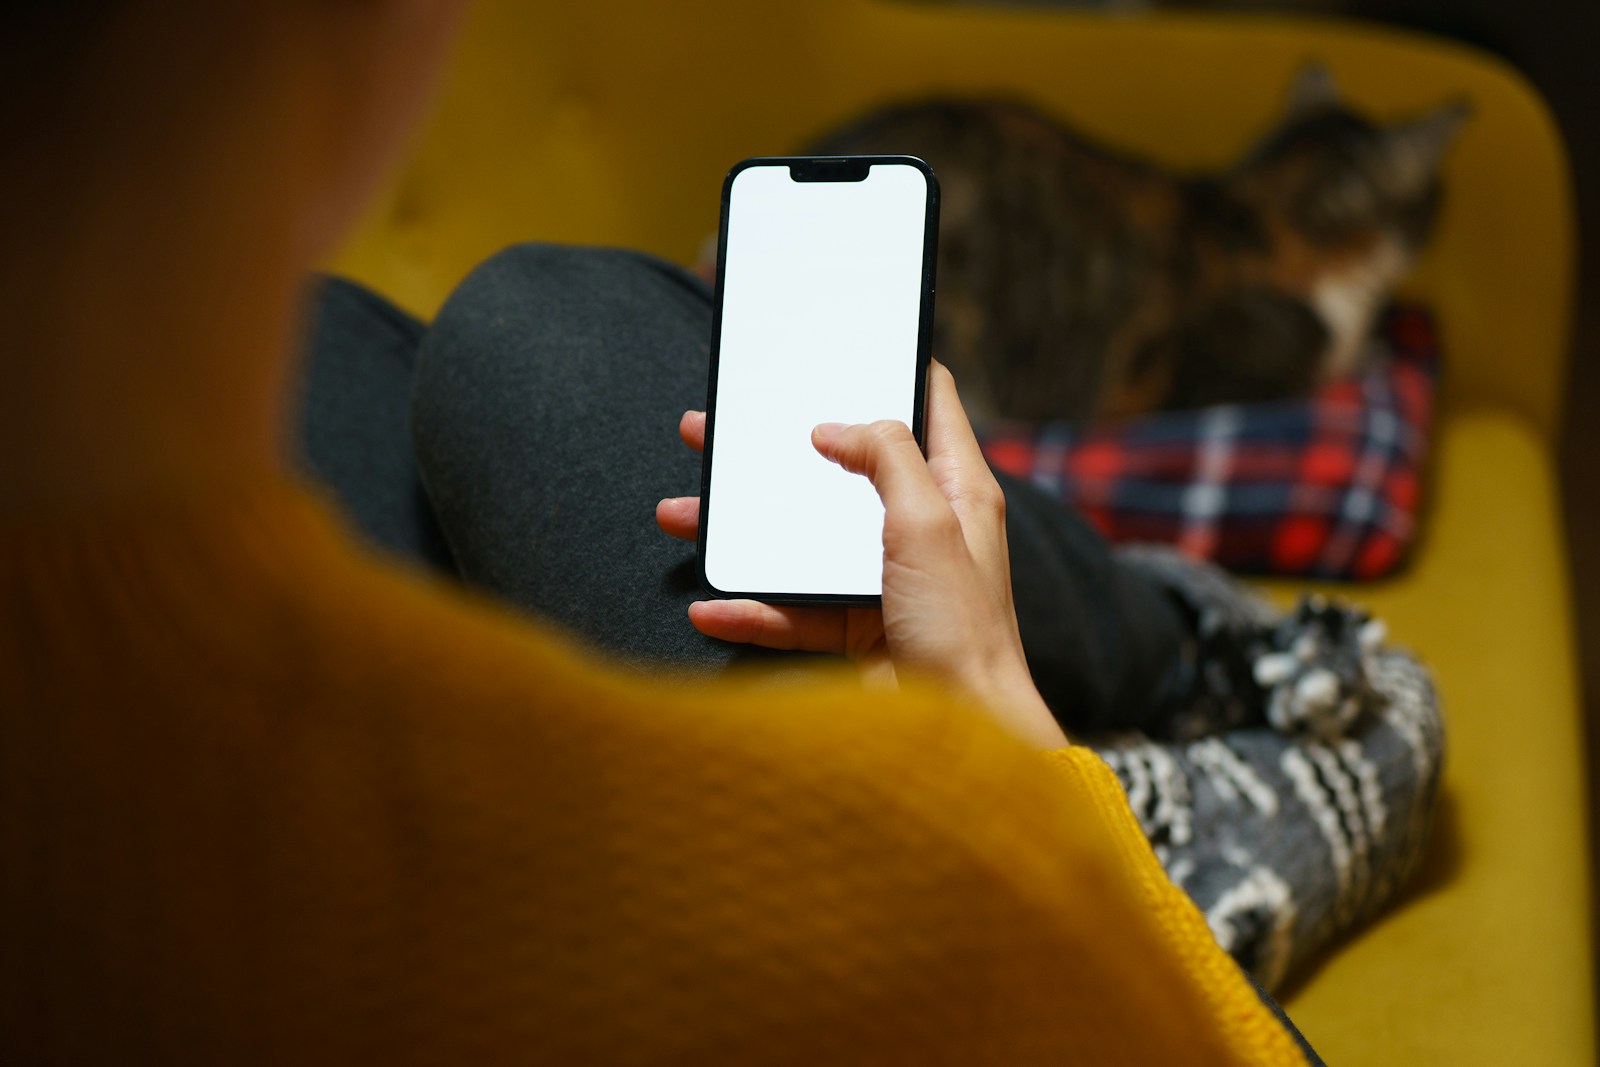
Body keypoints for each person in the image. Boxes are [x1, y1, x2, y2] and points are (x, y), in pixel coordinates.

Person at [0, 1, 1332, 1062]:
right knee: (540, 329)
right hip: (917, 860)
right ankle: (1205, 659)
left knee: (353, 357)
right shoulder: (962, 893)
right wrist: (996, 723)